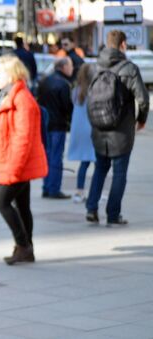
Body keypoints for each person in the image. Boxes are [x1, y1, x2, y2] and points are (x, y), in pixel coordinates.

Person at [0, 55, 48, 265]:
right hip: (14, 160)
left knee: (2, 201)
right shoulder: (9, 95)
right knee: (22, 205)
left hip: (17, 162)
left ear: (10, 74)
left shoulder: (22, 99)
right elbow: (5, 121)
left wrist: (14, 169)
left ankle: (23, 245)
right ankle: (27, 248)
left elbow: (23, 138)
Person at [85, 30, 149, 226]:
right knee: (119, 173)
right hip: (121, 131)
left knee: (100, 169)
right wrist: (141, 119)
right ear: (123, 44)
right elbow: (143, 99)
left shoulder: (95, 67)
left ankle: (91, 208)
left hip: (98, 130)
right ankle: (113, 215)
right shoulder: (129, 69)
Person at [38, 57, 74, 199]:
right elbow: (67, 107)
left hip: (45, 123)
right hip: (58, 124)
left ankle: (47, 187)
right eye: (70, 66)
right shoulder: (64, 84)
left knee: (47, 155)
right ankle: (53, 189)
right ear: (63, 67)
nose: (72, 69)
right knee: (56, 157)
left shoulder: (45, 80)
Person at [67, 64, 96, 204]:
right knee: (98, 163)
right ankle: (96, 191)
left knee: (84, 163)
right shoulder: (95, 90)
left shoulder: (76, 91)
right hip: (93, 129)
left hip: (80, 130)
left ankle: (79, 191)